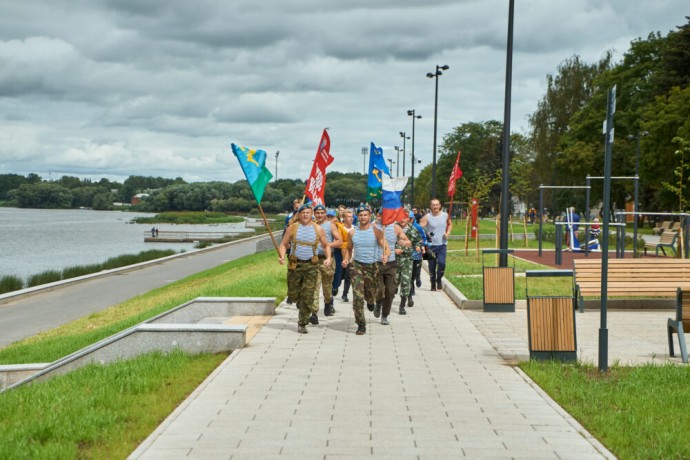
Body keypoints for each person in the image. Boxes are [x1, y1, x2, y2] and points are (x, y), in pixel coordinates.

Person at [278, 203, 332, 334]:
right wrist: (282, 256)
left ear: (311, 214)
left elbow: (326, 245)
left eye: (308, 212)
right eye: (303, 213)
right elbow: (284, 244)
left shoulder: (318, 229)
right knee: (293, 294)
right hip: (295, 265)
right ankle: (297, 300)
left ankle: (302, 323)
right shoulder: (292, 228)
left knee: (308, 296)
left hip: (311, 266)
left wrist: (329, 258)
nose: (305, 215)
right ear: (299, 214)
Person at [341, 204, 387, 335]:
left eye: (365, 215)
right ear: (358, 216)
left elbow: (386, 247)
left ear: (370, 216)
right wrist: (346, 258)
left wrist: (385, 255)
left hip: (372, 267)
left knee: (370, 292)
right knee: (357, 296)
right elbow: (348, 249)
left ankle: (371, 301)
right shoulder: (352, 233)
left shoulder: (377, 232)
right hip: (357, 266)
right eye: (360, 215)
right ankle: (361, 324)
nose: (363, 217)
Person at [374, 208, 410, 324]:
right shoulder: (372, 227)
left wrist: (405, 243)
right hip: (376, 263)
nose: (382, 217)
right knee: (379, 290)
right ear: (377, 215)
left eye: (385, 215)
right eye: (380, 215)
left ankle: (385, 315)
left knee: (390, 290)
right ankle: (378, 302)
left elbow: (407, 241)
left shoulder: (395, 228)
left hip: (391, 263)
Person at [311, 204, 342, 320]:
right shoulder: (311, 225)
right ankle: (314, 313)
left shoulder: (330, 225)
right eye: (317, 213)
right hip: (313, 260)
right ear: (314, 214)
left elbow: (340, 241)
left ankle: (328, 302)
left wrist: (328, 245)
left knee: (326, 286)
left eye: (322, 213)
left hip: (327, 260)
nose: (319, 215)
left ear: (325, 214)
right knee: (314, 286)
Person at [419, 198, 452, 291]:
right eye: (433, 205)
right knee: (431, 266)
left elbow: (450, 224)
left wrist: (448, 232)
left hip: (442, 244)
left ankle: (439, 279)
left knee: (442, 263)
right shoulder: (427, 217)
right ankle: (433, 283)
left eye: (437, 204)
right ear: (430, 206)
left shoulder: (446, 215)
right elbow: (419, 228)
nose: (435, 206)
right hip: (430, 245)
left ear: (440, 205)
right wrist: (423, 238)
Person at [396, 211, 422, 314]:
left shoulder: (413, 230)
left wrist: (417, 247)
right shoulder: (392, 229)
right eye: (400, 217)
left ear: (408, 219)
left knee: (406, 282)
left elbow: (418, 242)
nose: (402, 219)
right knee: (393, 284)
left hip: (407, 260)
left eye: (405, 217)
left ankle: (402, 305)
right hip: (394, 260)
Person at [333, 208, 354, 302]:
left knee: (348, 275)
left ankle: (345, 294)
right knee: (340, 274)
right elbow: (340, 242)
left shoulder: (355, 228)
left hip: (351, 254)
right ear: (344, 218)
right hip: (340, 253)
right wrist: (347, 244)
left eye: (351, 216)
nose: (350, 218)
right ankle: (335, 286)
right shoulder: (340, 228)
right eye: (348, 217)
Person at [409, 212, 427, 294]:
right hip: (408, 254)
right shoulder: (403, 227)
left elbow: (424, 238)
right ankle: (411, 288)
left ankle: (418, 277)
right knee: (410, 272)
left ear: (413, 219)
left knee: (416, 271)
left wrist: (422, 245)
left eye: (410, 218)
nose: (408, 220)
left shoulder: (418, 227)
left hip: (417, 253)